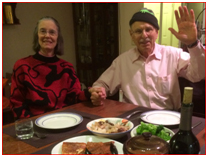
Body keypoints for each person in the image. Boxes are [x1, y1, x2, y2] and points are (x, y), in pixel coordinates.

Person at [89, 6, 205, 110]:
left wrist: (192, 44)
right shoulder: (122, 61)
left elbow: (199, 74)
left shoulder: (173, 54)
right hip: (134, 119)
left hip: (168, 119)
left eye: (148, 29)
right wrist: (98, 91)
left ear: (156, 32)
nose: (144, 35)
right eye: (138, 31)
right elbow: (102, 84)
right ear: (131, 35)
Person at [9, 16, 98, 119]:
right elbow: (16, 103)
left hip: (65, 120)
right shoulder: (22, 66)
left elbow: (75, 97)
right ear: (36, 35)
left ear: (57, 38)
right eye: (43, 31)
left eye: (52, 32)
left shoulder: (67, 67)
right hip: (35, 124)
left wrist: (90, 93)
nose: (47, 36)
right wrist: (32, 125)